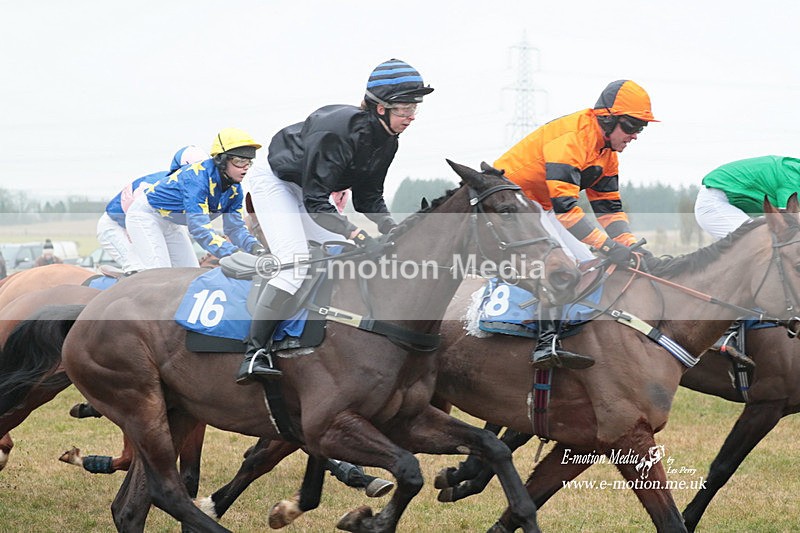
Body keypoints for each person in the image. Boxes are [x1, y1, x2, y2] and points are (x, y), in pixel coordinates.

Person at [239, 58, 434, 382]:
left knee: (342, 253)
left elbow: (368, 196)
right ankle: (254, 351)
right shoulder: (339, 131)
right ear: (380, 108)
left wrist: (392, 228)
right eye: (403, 109)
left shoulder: (388, 140)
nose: (411, 116)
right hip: (277, 183)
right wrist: (358, 234)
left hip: (308, 189)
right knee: (296, 263)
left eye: (416, 108)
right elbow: (317, 201)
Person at [493, 79, 659, 370]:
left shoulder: (607, 154)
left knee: (588, 265)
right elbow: (566, 209)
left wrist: (630, 246)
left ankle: (568, 335)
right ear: (607, 119)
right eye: (631, 126)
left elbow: (608, 209)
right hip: (507, 205)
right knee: (566, 267)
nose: (635, 135)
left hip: (539, 206)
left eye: (641, 128)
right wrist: (608, 246)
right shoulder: (572, 138)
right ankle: (545, 343)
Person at [693, 155, 800, 367]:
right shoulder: (792, 176)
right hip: (714, 204)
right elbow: (787, 223)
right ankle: (725, 332)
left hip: (731, 204)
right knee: (757, 251)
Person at [125, 129, 264, 269]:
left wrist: (255, 248)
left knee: (191, 272)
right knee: (160, 270)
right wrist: (233, 253)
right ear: (220, 160)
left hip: (171, 223)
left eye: (248, 162)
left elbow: (235, 228)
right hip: (145, 216)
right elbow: (199, 229)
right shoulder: (196, 179)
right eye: (239, 161)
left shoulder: (235, 190)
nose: (245, 168)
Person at [97, 145, 208, 274]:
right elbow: (136, 223)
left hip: (166, 224)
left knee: (191, 272)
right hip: (116, 227)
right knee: (149, 271)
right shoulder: (152, 187)